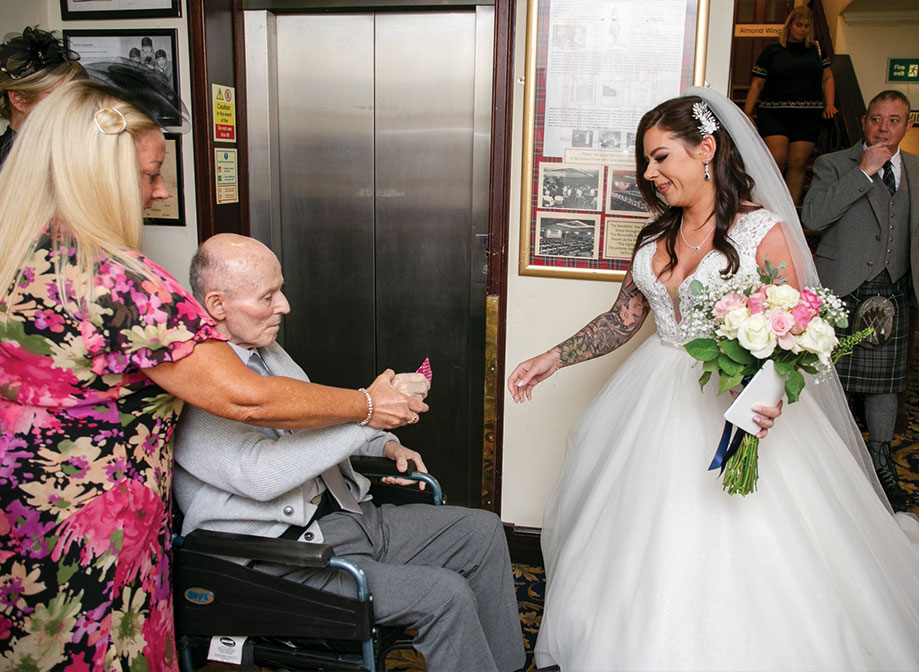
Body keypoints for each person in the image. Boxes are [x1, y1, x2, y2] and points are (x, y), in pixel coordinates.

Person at [0, 76, 425, 670]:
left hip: (21, 514)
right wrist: (367, 405)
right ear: (95, 173)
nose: (160, 190)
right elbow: (247, 400)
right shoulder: (122, 284)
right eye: (150, 174)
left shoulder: (22, 261)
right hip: (93, 527)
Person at [509, 87, 919, 671]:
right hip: (654, 396)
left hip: (736, 398)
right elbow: (625, 318)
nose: (649, 174)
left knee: (748, 544)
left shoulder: (762, 231)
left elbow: (803, 328)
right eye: (645, 161)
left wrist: (767, 395)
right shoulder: (654, 236)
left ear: (706, 150)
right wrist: (553, 357)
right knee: (644, 536)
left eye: (660, 158)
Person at [172, 233, 526, 672]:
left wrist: (384, 442)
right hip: (284, 561)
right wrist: (369, 415)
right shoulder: (195, 387)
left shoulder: (267, 352)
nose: (284, 305)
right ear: (218, 305)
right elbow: (261, 476)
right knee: (443, 594)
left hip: (351, 518)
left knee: (483, 531)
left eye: (280, 289)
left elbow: (320, 421)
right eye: (268, 296)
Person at [802, 89, 918, 511]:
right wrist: (863, 174)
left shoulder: (918, 170)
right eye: (876, 119)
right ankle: (825, 460)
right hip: (842, 289)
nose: (883, 128)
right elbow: (811, 218)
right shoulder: (835, 164)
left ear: (908, 125)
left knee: (887, 385)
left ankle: (882, 458)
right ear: (864, 122)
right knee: (828, 378)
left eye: (894, 120)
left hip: (896, 287)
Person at [743, 6, 837, 204]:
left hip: (808, 115)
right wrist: (746, 113)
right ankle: (766, 205)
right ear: (790, 25)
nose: (802, 29)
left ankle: (790, 213)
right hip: (774, 112)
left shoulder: (817, 51)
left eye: (806, 26)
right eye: (799, 25)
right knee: (776, 159)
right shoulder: (772, 51)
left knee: (798, 163)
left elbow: (827, 77)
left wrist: (830, 103)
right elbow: (757, 83)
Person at [0, 26, 84, 164]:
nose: (69, 104)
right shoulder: (7, 163)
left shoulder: (74, 151)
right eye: (55, 96)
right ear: (18, 99)